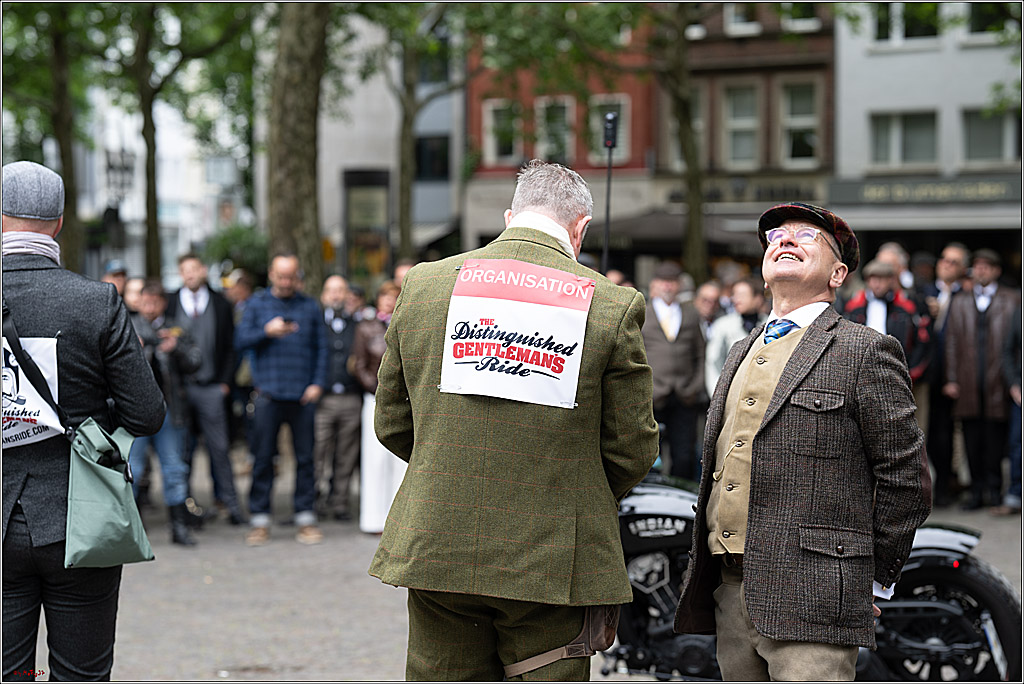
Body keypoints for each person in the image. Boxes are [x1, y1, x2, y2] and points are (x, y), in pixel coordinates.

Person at [368, 160, 659, 680]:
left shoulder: (426, 285)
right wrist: (571, 496)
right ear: (580, 228)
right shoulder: (611, 304)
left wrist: (450, 464)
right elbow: (631, 448)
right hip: (553, 553)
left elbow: (391, 421)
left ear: (510, 217)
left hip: (440, 539)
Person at [674, 201, 931, 682]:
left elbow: (906, 476)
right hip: (729, 591)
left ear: (837, 274)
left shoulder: (864, 349)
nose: (786, 240)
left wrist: (874, 579)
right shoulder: (740, 349)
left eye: (807, 236)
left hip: (816, 595)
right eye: (776, 237)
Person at [2, 161, 165, 680]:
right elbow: (147, 413)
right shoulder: (96, 302)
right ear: (58, 223)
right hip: (81, 516)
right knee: (82, 675)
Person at [235, 254, 328, 546]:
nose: (286, 282)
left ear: (297, 276)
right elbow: (240, 341)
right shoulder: (256, 304)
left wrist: (317, 383)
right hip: (268, 394)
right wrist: (266, 331)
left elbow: (322, 348)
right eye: (281, 276)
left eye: (291, 277)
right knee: (262, 458)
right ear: (271, 275)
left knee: (305, 459)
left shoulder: (310, 306)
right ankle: (260, 519)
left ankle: (305, 517)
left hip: (303, 395)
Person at [167, 254, 245, 525]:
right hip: (179, 391)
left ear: (203, 270)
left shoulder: (221, 303)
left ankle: (230, 505)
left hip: (212, 387)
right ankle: (185, 508)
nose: (190, 274)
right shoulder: (170, 302)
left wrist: (224, 383)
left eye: (194, 269)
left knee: (219, 449)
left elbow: (232, 347)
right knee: (182, 451)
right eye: (184, 270)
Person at [943, 249, 1020, 510]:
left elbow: (1016, 345)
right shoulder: (960, 301)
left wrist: (1013, 380)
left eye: (987, 266)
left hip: (999, 377)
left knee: (997, 438)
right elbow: (951, 342)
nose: (981, 270)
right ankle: (976, 491)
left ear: (997, 271)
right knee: (971, 437)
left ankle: (995, 489)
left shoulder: (1012, 299)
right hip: (967, 379)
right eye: (977, 265)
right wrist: (951, 378)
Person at [128, 281, 204, 546]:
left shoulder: (175, 328)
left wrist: (176, 349)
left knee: (174, 468)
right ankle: (132, 528)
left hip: (170, 410)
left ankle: (179, 526)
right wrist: (133, 350)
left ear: (162, 303)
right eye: (145, 302)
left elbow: (196, 362)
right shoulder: (127, 326)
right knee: (133, 469)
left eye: (154, 302)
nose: (149, 307)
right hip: (137, 411)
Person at [641, 262, 705, 481]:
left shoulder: (691, 314)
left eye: (672, 282)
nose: (667, 286)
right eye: (663, 282)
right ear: (654, 285)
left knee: (684, 456)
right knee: (649, 455)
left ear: (679, 285)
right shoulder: (644, 312)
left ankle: (681, 497)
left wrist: (695, 386)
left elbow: (700, 353)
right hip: (653, 394)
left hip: (684, 394)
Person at [351, 280, 404, 534]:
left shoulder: (405, 325)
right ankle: (373, 518)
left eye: (393, 296)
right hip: (374, 397)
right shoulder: (365, 328)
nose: (388, 301)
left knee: (399, 460)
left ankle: (397, 518)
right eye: (384, 296)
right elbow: (359, 365)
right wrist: (379, 390)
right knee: (375, 459)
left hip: (403, 399)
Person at [922, 243, 970, 505]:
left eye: (953, 261)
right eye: (944, 259)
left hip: (957, 375)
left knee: (951, 432)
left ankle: (950, 483)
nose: (946, 264)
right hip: (927, 373)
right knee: (930, 431)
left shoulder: (968, 294)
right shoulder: (925, 292)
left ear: (963, 268)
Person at [313, 275, 363, 522]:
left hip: (351, 397)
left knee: (346, 454)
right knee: (317, 450)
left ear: (347, 295)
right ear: (324, 295)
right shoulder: (315, 323)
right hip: (322, 398)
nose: (335, 295)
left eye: (340, 290)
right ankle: (313, 500)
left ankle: (340, 502)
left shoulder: (359, 323)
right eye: (331, 290)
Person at [842, 258, 931, 385]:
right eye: (873, 279)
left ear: (891, 280)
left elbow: (921, 340)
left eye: (882, 279)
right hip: (862, 372)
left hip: (898, 371)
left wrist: (911, 372)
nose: (877, 284)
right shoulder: (854, 306)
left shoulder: (905, 305)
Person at [705, 278, 766, 397]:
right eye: (734, 295)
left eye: (742, 295)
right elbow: (713, 363)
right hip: (729, 396)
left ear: (758, 298)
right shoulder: (723, 326)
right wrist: (717, 397)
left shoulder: (770, 324)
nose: (736, 299)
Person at [994, 300, 1022, 516]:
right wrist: (1014, 384)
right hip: (1021, 391)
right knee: (1017, 444)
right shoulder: (1019, 312)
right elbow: (1007, 351)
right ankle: (1015, 494)